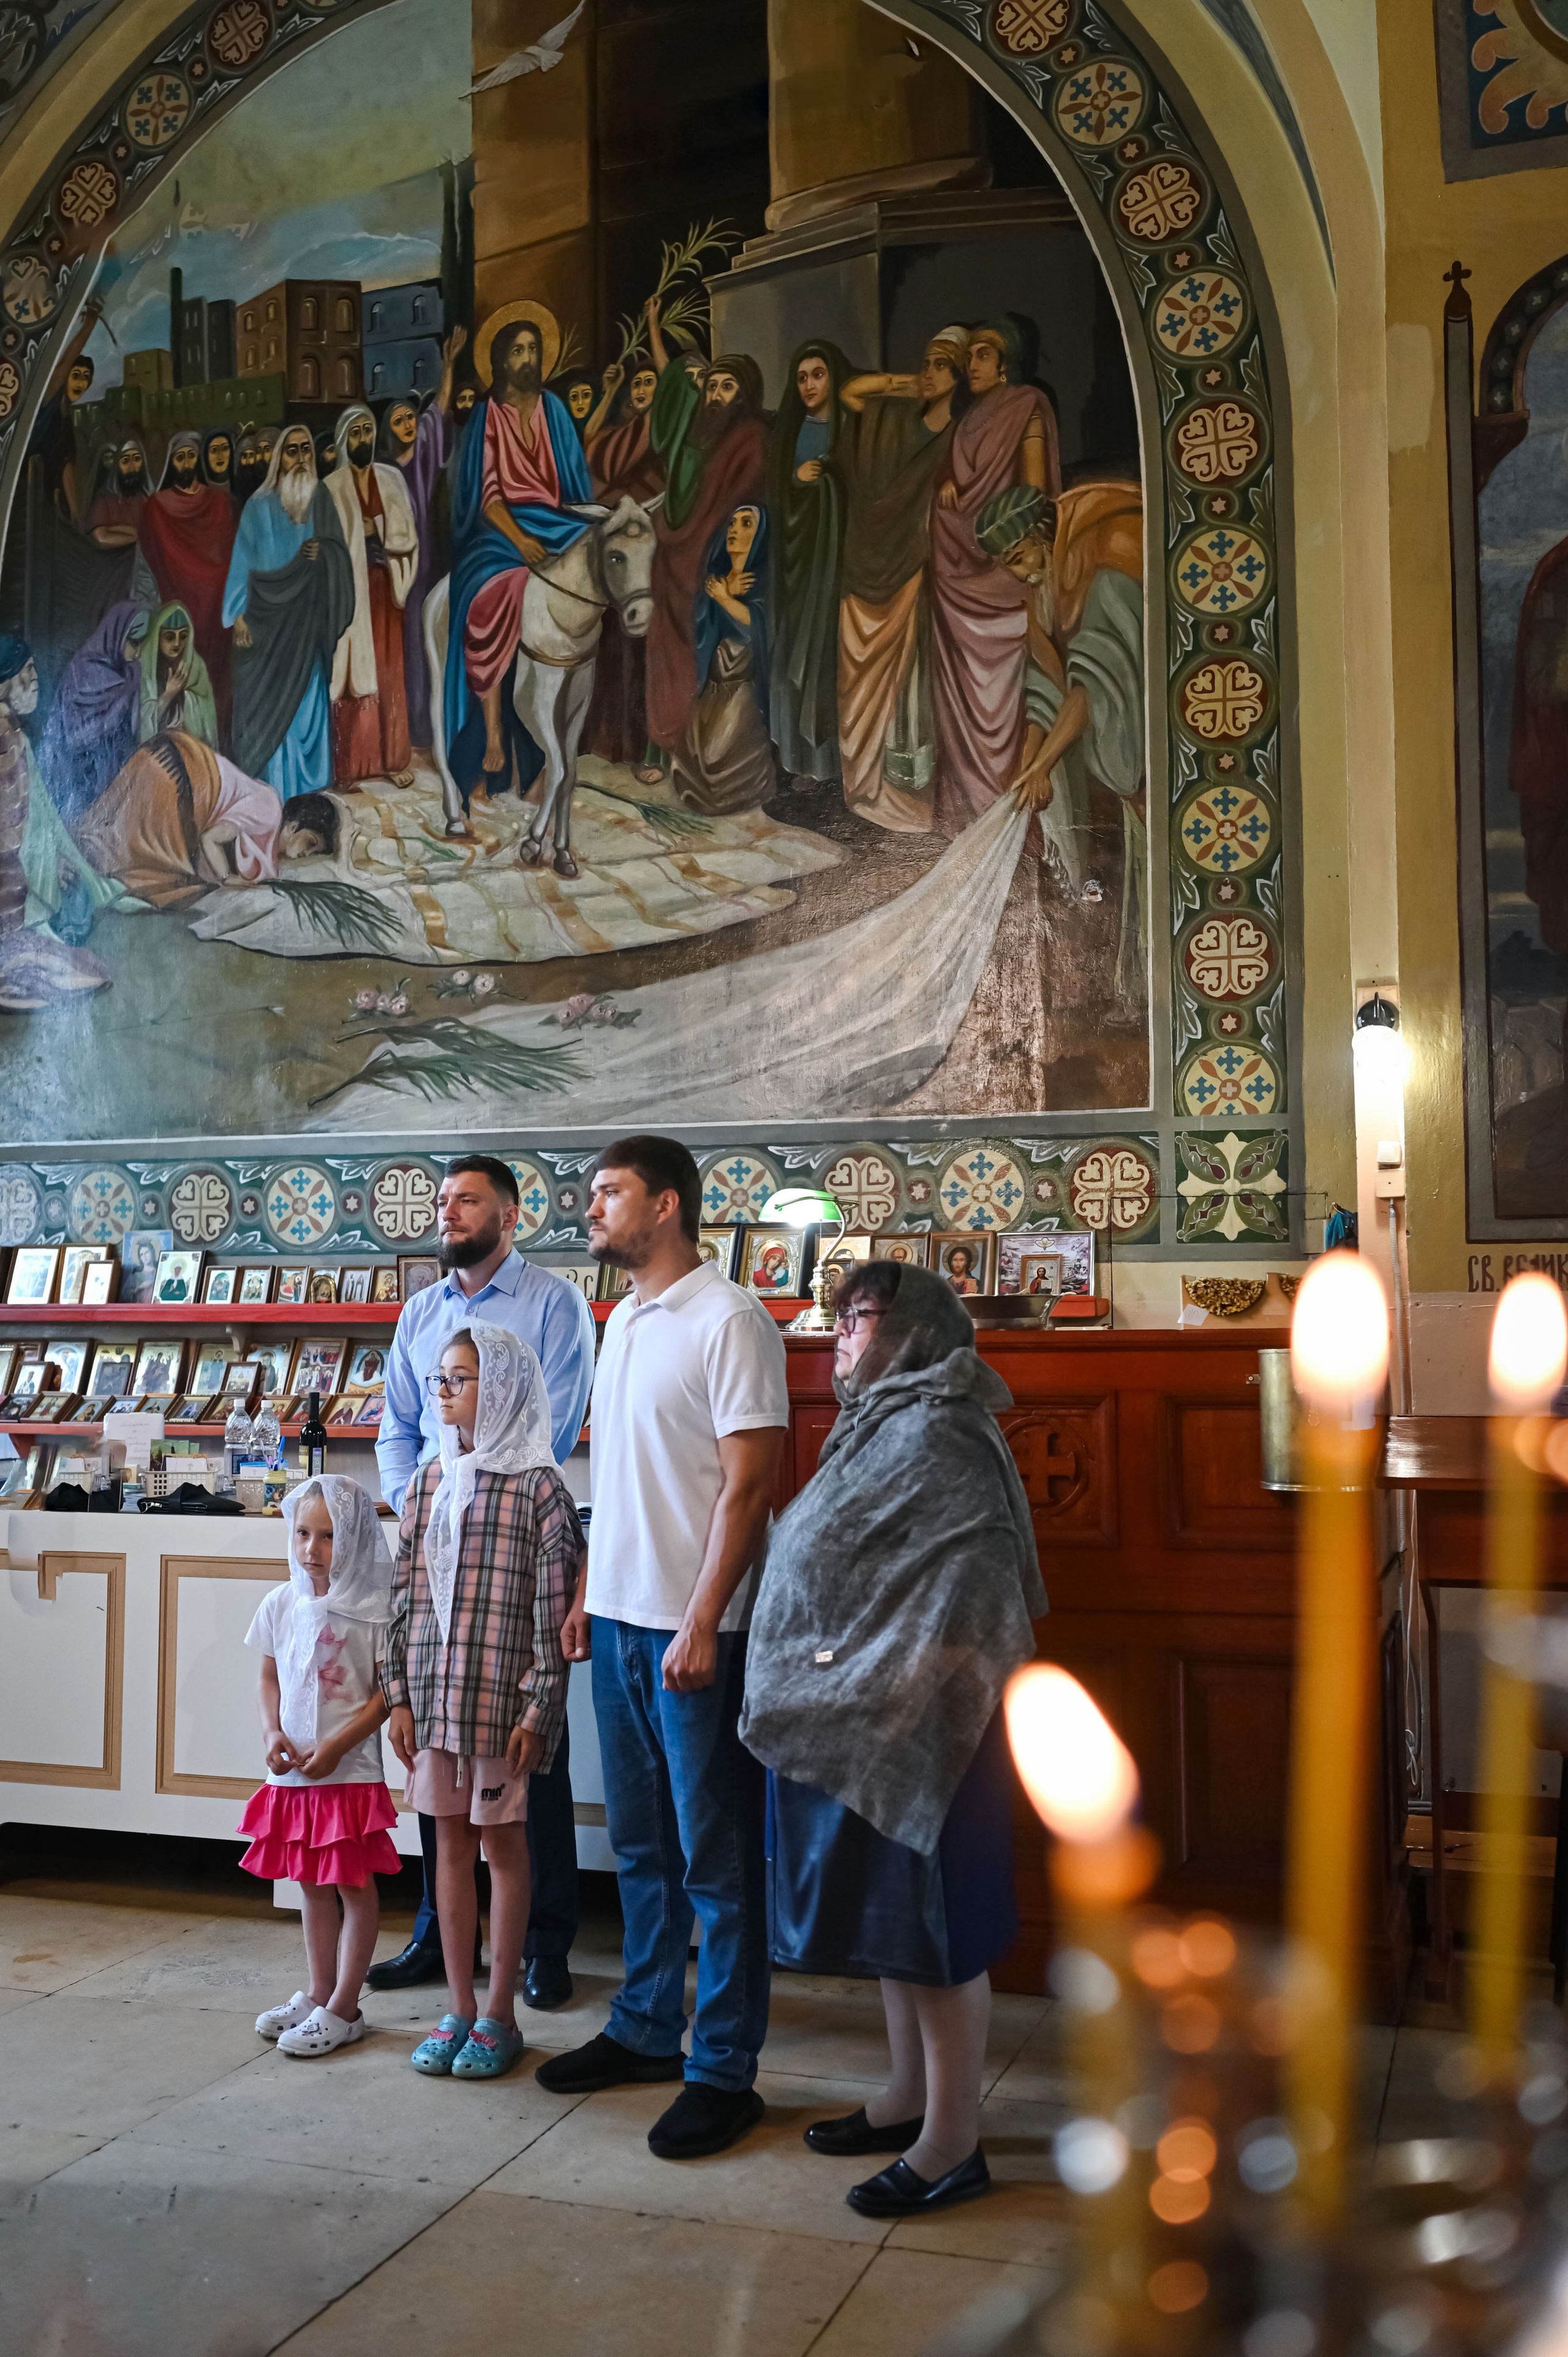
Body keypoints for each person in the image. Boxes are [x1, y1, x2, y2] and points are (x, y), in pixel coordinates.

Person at [740, 1261, 1046, 2216]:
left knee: (941, 1934)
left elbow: (968, 1592)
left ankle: (953, 2140)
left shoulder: (946, 1429)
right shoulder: (881, 1418)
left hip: (933, 1728)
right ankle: (908, 2096)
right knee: (896, 1930)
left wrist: (885, 1681)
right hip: (871, 1717)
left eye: (860, 1317)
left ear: (914, 1327)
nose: (840, 1333)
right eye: (837, 1317)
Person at [535, 1135, 787, 2163]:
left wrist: (700, 1618)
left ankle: (723, 2068)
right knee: (640, 1847)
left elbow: (749, 1486)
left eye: (609, 1193)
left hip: (698, 1635)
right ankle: (645, 2024)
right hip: (626, 1621)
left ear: (668, 1204)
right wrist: (594, 1588)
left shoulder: (729, 1319)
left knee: (718, 1862)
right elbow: (617, 1474)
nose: (590, 1209)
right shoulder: (626, 1318)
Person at [369, 1153, 594, 2005]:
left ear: (510, 1213)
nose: (449, 1212)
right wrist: (418, 1498)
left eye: (467, 1201)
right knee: (439, 1751)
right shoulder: (423, 1310)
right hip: (437, 1529)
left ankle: (544, 1946)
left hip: (510, 1518)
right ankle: (440, 1933)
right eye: (443, 1201)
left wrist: (483, 1481)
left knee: (528, 1755)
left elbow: (558, 1422)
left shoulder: (552, 1304)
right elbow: (398, 1421)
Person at [383, 1322, 582, 2079]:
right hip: (435, 1705)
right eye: (439, 1377)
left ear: (498, 1388)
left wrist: (539, 1708)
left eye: (460, 1378)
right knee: (450, 1851)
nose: (443, 1391)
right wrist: (397, 1693)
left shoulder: (538, 1485)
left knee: (503, 1849)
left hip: (501, 1710)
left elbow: (551, 1611)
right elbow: (405, 1593)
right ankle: (458, 2005)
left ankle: (500, 2010)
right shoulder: (430, 1479)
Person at [238, 1476, 401, 2057]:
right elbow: (268, 1675)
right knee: (310, 1885)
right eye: (303, 1534)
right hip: (294, 1776)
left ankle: (346, 2005)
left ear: (354, 1539)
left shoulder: (374, 1611)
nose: (312, 1549)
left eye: (328, 1536)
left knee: (353, 1886)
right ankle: (318, 1989)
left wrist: (338, 1746)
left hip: (348, 1774)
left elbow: (387, 1692)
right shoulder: (281, 1602)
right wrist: (271, 1731)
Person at [979, 480, 1146, 990]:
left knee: (1156, 873)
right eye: (1006, 562)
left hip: (1152, 758)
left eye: (1019, 554)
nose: (1017, 571)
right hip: (1121, 775)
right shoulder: (1043, 596)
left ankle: (1145, 987)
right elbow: (1044, 697)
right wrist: (1029, 771)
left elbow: (1091, 689)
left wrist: (1045, 766)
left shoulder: (1105, 570)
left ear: (1043, 532)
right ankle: (1133, 986)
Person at [444, 304, 594, 794]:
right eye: (517, 350)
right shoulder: (488, 415)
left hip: (560, 524)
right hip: (503, 532)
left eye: (533, 349)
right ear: (501, 360)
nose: (527, 358)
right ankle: (491, 732)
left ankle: (560, 745)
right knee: (496, 594)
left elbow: (573, 486)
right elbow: (487, 496)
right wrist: (521, 540)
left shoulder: (555, 410)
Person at [929, 317, 1061, 835]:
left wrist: (1011, 548)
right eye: (971, 358)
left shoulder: (1025, 405)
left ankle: (1007, 806)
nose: (972, 366)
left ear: (1006, 363)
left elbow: (1032, 497)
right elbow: (957, 483)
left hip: (1004, 574)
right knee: (957, 696)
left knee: (1007, 691)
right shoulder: (966, 421)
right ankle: (964, 811)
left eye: (983, 355)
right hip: (955, 576)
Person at [836, 330, 970, 831]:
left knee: (905, 682)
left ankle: (904, 788)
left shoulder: (959, 436)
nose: (929, 372)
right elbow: (851, 394)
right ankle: (862, 784)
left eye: (940, 366)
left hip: (911, 568)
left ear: (959, 378)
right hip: (864, 563)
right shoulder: (891, 421)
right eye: (928, 363)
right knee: (857, 679)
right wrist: (901, 384)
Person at [643, 296, 768, 776]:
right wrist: (655, 324)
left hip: (713, 556)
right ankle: (661, 744)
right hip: (671, 555)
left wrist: (695, 540)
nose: (715, 392)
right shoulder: (691, 431)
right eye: (711, 385)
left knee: (703, 654)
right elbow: (671, 377)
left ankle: (700, 751)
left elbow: (736, 501)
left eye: (725, 385)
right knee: (663, 652)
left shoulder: (749, 436)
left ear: (743, 393)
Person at [222, 424, 355, 802]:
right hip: (266, 628)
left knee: (307, 714)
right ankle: (273, 797)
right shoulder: (257, 506)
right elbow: (241, 564)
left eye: (306, 450)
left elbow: (339, 555)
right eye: (292, 450)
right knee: (269, 715)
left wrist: (325, 555)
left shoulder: (322, 498)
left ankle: (309, 795)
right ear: (279, 457)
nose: (300, 458)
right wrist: (238, 616)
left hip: (308, 626)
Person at [0, 639, 129, 1009]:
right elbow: (9, 830)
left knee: (81, 910)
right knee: (81, 973)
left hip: (25, 872)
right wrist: (43, 867)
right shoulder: (5, 741)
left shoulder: (15, 736)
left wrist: (53, 857)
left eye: (36, 669)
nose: (36, 679)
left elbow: (39, 817)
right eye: (28, 672)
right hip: (11, 890)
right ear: (6, 681)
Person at [75, 733, 332, 905]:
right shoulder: (270, 810)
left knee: (120, 844)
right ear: (294, 826)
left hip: (169, 767)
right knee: (170, 880)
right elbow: (210, 838)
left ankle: (87, 855)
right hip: (175, 778)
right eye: (310, 842)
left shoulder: (266, 829)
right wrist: (226, 879)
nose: (306, 854)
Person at [768, 340, 854, 787]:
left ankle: (841, 765)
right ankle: (804, 763)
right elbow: (772, 495)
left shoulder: (851, 427)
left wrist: (833, 480)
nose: (808, 385)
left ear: (835, 378)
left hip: (839, 566)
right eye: (801, 377)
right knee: (795, 660)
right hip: (798, 567)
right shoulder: (788, 432)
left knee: (833, 660)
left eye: (818, 374)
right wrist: (794, 481)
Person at [324, 402, 419, 789]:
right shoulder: (330, 487)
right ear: (345, 440)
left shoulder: (392, 479)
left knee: (389, 671)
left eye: (367, 431)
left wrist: (375, 528)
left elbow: (408, 537)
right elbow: (330, 546)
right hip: (351, 595)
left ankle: (393, 762)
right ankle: (352, 767)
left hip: (387, 587)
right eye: (356, 433)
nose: (364, 438)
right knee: (351, 673)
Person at [389, 326, 467, 752]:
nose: (407, 424)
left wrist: (449, 366)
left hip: (425, 563)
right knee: (399, 652)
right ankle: (406, 729)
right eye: (398, 420)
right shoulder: (383, 470)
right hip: (393, 571)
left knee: (427, 642)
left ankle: (429, 724)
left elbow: (438, 413)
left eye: (409, 419)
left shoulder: (420, 460)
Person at [582, 358, 662, 767]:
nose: (643, 389)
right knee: (610, 650)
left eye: (651, 382)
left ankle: (646, 750)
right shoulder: (621, 435)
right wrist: (609, 391)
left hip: (653, 562)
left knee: (650, 658)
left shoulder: (664, 435)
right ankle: (607, 741)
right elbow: (591, 446)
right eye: (638, 384)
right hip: (617, 561)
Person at [671, 502, 775, 813]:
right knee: (689, 757)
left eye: (746, 525)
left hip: (744, 686)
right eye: (732, 524)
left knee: (717, 758)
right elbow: (696, 629)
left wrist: (725, 599)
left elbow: (759, 627)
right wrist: (719, 594)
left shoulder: (764, 579)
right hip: (712, 685)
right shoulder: (715, 581)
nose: (735, 531)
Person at [138, 429, 238, 733]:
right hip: (179, 612)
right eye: (179, 458)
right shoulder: (156, 507)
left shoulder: (221, 502)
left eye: (191, 456)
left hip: (217, 610)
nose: (186, 464)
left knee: (219, 682)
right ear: (172, 463)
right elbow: (151, 559)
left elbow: (233, 554)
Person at [35, 602, 150, 821]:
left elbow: (134, 731)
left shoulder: (132, 673)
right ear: (116, 634)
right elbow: (74, 738)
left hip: (117, 776)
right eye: (134, 642)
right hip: (76, 775)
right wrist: (121, 699)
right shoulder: (82, 670)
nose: (139, 651)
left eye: (142, 643)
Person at [137, 600, 217, 746]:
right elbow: (142, 727)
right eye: (169, 637)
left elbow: (207, 721)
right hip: (155, 749)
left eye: (183, 636)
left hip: (189, 746)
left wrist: (186, 696)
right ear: (157, 636)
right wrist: (168, 695)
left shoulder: (196, 666)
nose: (177, 643)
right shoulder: (146, 666)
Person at [85, 436, 149, 548]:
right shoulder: (104, 499)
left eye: (137, 459)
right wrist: (134, 535)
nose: (132, 467)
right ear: (117, 466)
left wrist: (116, 530)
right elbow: (101, 537)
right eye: (125, 461)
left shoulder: (146, 500)